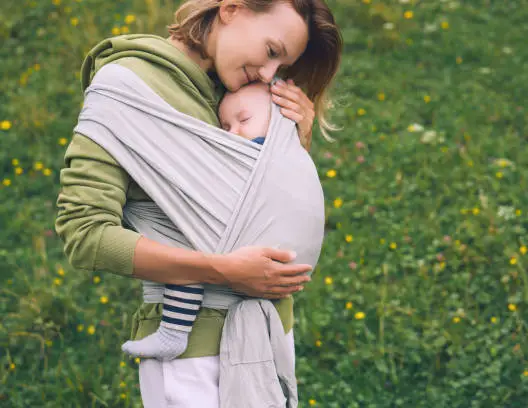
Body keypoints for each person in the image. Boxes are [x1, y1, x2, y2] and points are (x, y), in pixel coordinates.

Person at [54, 0, 342, 406]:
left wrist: (293, 142)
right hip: (191, 353)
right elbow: (84, 234)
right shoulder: (129, 88)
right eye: (272, 51)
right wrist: (222, 271)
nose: (269, 73)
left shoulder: (245, 95)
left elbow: (260, 206)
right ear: (232, 10)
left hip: (272, 333)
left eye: (282, 67)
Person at [120, 82, 287, 360]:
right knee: (187, 257)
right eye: (225, 127)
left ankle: (173, 333)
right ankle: (173, 334)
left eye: (244, 120)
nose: (234, 132)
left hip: (243, 235)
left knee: (184, 259)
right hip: (246, 243)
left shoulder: (263, 151)